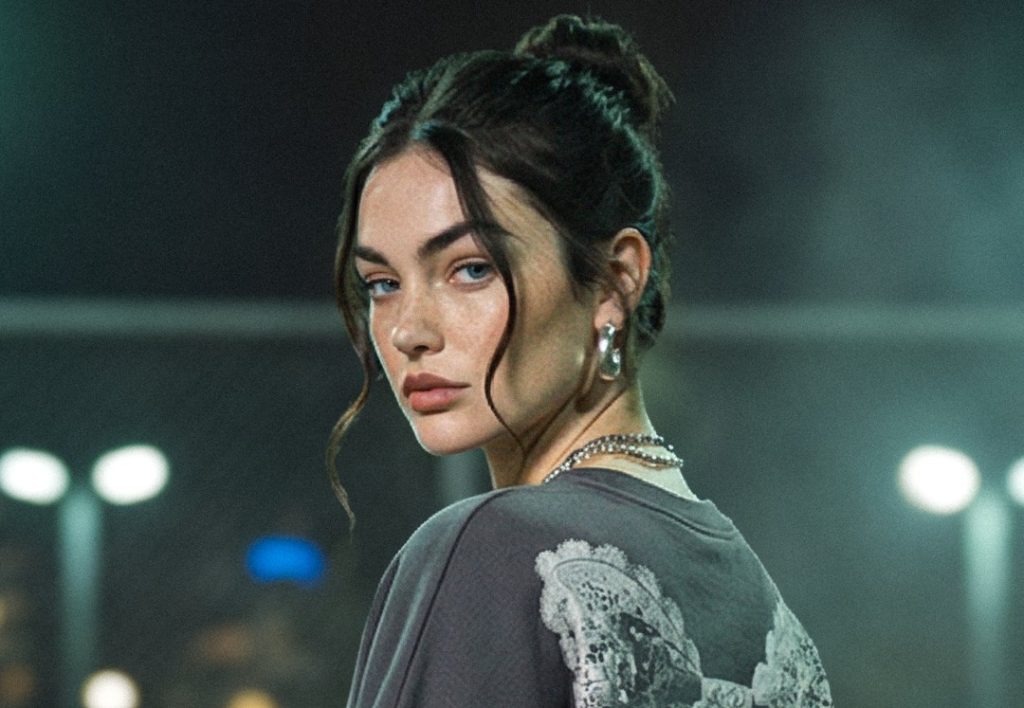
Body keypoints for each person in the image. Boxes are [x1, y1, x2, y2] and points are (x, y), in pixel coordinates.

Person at [329, 14, 833, 707]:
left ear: (614, 281)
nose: (408, 330)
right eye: (382, 283)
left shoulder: (490, 550)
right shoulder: (757, 601)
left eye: (472, 268)